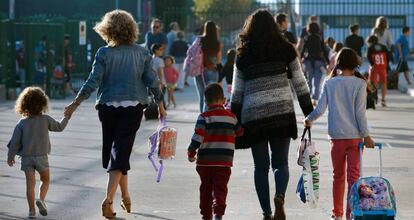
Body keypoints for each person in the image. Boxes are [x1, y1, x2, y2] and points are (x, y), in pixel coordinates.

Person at [64, 10, 166, 218]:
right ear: (132, 29)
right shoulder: (142, 53)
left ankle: (126, 196)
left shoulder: (104, 53)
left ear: (107, 29)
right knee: (120, 152)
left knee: (116, 153)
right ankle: (109, 200)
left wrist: (76, 103)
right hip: (133, 108)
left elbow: (93, 81)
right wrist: (161, 103)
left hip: (107, 107)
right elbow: (152, 81)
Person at [231, 9, 313, 220]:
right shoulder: (286, 49)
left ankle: (266, 213)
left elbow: (237, 92)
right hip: (281, 113)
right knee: (281, 163)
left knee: (260, 167)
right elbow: (300, 83)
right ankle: (280, 196)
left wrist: (235, 120)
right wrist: (308, 113)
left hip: (254, 116)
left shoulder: (243, 54)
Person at [304, 48, 375, 220]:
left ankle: (337, 214)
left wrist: (309, 119)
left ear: (338, 63)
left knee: (338, 177)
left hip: (336, 137)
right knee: (354, 178)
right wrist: (366, 136)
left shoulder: (330, 83)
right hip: (356, 138)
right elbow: (360, 113)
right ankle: (352, 214)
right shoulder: (360, 84)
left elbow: (320, 109)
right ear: (355, 64)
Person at [6, 87, 71, 218]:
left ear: (24, 104)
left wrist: (10, 156)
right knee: (45, 179)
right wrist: (66, 117)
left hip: (26, 158)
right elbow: (59, 127)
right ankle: (41, 199)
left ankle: (31, 212)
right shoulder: (45, 119)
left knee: (30, 184)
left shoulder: (22, 123)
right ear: (43, 103)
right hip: (42, 157)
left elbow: (14, 143)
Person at [188, 83, 243, 220]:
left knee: (205, 190)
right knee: (220, 189)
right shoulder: (231, 117)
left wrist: (191, 151)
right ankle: (218, 213)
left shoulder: (203, 117)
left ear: (206, 101)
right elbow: (240, 132)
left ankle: (206, 216)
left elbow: (198, 136)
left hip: (205, 163)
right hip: (224, 163)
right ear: (223, 100)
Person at [194, 21, 223, 113]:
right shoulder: (217, 43)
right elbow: (218, 60)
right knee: (211, 96)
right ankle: (210, 116)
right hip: (212, 71)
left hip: (199, 70)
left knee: (202, 96)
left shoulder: (200, 40)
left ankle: (202, 118)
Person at [301, 22, 328, 106]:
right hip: (318, 61)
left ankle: (308, 97)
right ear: (317, 29)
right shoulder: (320, 38)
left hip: (308, 61)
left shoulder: (307, 38)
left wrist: (301, 57)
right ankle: (314, 99)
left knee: (308, 80)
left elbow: (304, 50)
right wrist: (327, 61)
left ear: (308, 29)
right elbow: (324, 50)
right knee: (317, 81)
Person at [367, 35, 389, 107]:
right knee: (384, 83)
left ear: (370, 41)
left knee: (374, 84)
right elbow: (388, 56)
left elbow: (368, 57)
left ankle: (373, 99)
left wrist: (372, 64)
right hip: (383, 67)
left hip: (375, 67)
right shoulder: (383, 47)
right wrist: (387, 65)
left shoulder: (370, 48)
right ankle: (383, 100)